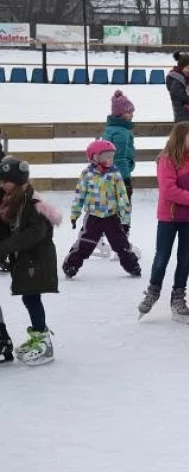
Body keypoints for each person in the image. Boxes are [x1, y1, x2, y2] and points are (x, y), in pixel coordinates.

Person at [138, 122, 189, 323]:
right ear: (180, 138)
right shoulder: (167, 159)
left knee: (185, 258)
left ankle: (178, 297)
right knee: (162, 256)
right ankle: (153, 291)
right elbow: (168, 190)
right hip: (169, 218)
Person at [0, 157, 62, 366]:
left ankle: (43, 341)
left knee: (32, 299)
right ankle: (38, 334)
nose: (1, 184)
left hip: (37, 262)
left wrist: (5, 246)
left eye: (5, 180)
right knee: (30, 298)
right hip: (29, 261)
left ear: (17, 181)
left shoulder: (34, 204)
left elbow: (33, 234)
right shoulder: (17, 200)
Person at [62, 140, 140, 279]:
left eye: (112, 156)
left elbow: (122, 196)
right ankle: (71, 265)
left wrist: (125, 218)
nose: (110, 159)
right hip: (93, 217)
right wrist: (75, 214)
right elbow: (80, 195)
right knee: (86, 243)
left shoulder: (115, 174)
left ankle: (133, 266)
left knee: (121, 243)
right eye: (106, 156)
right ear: (94, 157)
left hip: (111, 216)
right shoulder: (87, 174)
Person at [102, 90, 136, 201]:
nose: (132, 115)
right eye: (129, 112)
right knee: (122, 208)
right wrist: (126, 181)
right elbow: (120, 158)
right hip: (120, 176)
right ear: (120, 114)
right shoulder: (121, 132)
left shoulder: (110, 129)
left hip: (109, 175)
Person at [166, 52, 189, 130]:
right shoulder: (176, 81)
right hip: (183, 120)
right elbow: (188, 98)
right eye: (188, 68)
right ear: (181, 67)